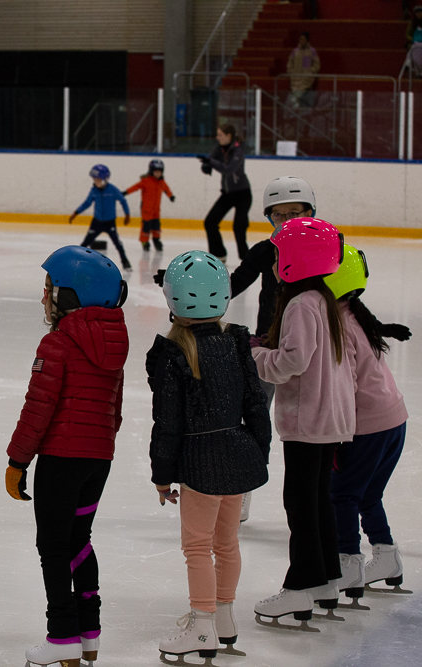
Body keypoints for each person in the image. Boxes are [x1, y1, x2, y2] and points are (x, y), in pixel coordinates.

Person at [5, 246, 129, 667]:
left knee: (53, 547)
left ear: (71, 297)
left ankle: (61, 636)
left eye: (50, 289)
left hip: (60, 459)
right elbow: (115, 410)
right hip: (99, 460)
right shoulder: (114, 343)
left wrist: (18, 460)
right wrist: (99, 448)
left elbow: (38, 409)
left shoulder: (57, 343)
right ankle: (88, 634)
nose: (44, 297)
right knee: (79, 541)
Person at [148, 251, 271, 663]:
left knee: (197, 547)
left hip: (202, 463)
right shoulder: (236, 342)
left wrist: (161, 475)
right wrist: (256, 452)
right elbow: (256, 405)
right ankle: (224, 619)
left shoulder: (172, 354)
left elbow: (167, 423)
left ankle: (202, 627)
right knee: (227, 543)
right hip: (238, 456)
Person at [250, 217, 353, 631]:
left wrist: (255, 359)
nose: (273, 263)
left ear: (295, 261)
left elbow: (293, 362)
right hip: (328, 417)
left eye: (277, 255)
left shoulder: (299, 304)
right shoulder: (324, 299)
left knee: (300, 502)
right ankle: (327, 579)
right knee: (317, 498)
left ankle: (301, 587)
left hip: (309, 419)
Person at [324, 245, 413, 604]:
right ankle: (387, 556)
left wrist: (338, 436)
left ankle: (349, 563)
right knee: (368, 494)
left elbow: (346, 386)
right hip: (394, 419)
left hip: (370, 426)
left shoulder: (339, 324)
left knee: (341, 493)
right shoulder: (355, 314)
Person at [229, 176, 317, 522]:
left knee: (314, 427)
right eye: (279, 216)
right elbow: (234, 283)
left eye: (295, 212)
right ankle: (242, 491)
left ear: (311, 211)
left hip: (312, 353)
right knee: (252, 420)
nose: (288, 221)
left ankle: (319, 500)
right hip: (267, 347)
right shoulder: (266, 251)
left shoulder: (328, 247)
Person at [198, 125, 252, 264]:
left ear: (229, 136)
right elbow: (211, 161)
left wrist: (211, 162)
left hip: (243, 194)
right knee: (210, 222)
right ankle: (218, 254)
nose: (218, 137)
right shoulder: (219, 148)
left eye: (220, 135)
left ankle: (246, 258)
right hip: (227, 194)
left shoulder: (238, 150)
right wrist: (206, 165)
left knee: (239, 226)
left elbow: (228, 170)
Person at [68, 164, 133, 271]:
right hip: (97, 222)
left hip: (110, 222)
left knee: (118, 244)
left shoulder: (112, 189)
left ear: (105, 179)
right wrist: (76, 212)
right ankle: (76, 260)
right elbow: (87, 203)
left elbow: (123, 200)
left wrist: (127, 214)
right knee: (85, 243)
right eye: (94, 180)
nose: (96, 182)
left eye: (98, 180)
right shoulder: (94, 191)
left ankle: (125, 262)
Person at [123, 158, 175, 252]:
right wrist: (126, 192)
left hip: (156, 210)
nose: (158, 174)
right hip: (146, 209)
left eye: (160, 172)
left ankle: (156, 240)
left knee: (156, 226)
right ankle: (144, 242)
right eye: (156, 171)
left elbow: (166, 189)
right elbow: (135, 187)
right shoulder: (146, 181)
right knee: (146, 226)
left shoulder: (161, 182)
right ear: (151, 171)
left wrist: (170, 196)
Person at [287, 32, 320, 109]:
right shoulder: (295, 51)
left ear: (307, 40)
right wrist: (291, 72)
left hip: (306, 81)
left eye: (303, 39)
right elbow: (290, 63)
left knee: (304, 103)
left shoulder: (312, 51)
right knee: (294, 102)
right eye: (300, 39)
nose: (301, 40)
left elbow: (316, 64)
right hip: (295, 80)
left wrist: (311, 72)